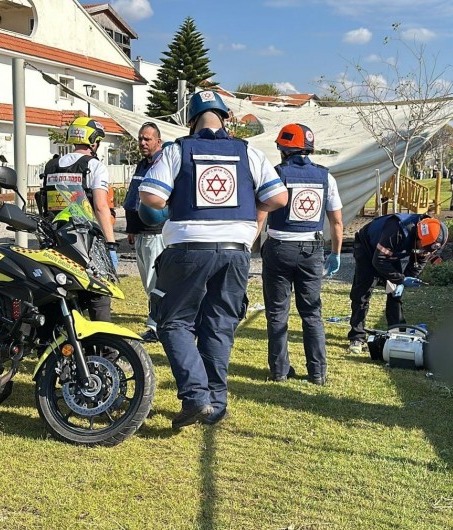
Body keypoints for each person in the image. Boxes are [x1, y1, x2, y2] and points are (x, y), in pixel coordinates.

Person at [140, 90, 287, 429]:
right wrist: (251, 213)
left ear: (189, 120)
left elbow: (151, 196)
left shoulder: (178, 150)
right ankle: (216, 405)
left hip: (188, 249)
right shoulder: (248, 152)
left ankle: (195, 396)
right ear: (225, 118)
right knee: (219, 326)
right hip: (236, 251)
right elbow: (278, 197)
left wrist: (174, 202)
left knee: (173, 322)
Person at [256, 123, 343, 385]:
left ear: (283, 149)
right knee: (312, 313)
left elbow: (260, 216)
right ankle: (318, 373)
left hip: (279, 248)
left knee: (277, 313)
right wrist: (335, 253)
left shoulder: (275, 174)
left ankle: (279, 371)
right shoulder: (326, 177)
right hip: (312, 251)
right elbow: (337, 222)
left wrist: (247, 246)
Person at [39, 116, 118, 323]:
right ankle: (104, 350)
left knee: (59, 292)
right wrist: (110, 244)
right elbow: (101, 207)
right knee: (98, 295)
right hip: (85, 242)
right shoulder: (94, 166)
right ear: (94, 142)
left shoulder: (51, 166)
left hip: (54, 240)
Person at [347, 213, 447, 354]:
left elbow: (418, 263)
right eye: (423, 248)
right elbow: (379, 260)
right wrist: (400, 279)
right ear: (417, 236)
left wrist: (405, 280)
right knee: (362, 294)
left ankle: (396, 332)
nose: (424, 252)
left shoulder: (429, 238)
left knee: (394, 294)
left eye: (428, 250)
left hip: (390, 254)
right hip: (367, 248)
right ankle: (357, 336)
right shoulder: (396, 230)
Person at [124, 122, 166, 342]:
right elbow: (134, 196)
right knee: (147, 281)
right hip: (141, 232)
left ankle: (157, 326)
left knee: (155, 281)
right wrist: (131, 228)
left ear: (158, 141)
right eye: (140, 138)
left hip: (156, 233)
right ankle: (158, 320)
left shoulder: (162, 163)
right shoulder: (143, 164)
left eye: (147, 139)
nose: (142, 142)